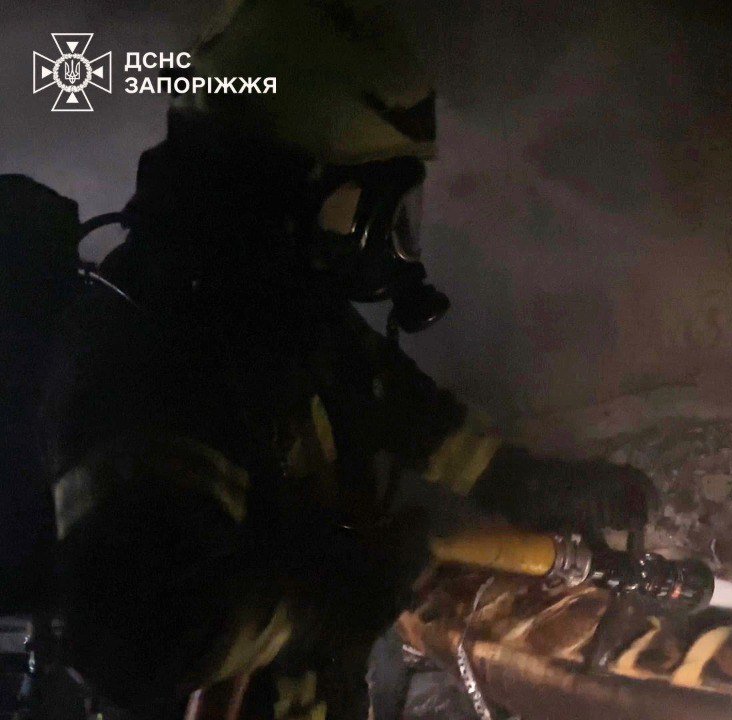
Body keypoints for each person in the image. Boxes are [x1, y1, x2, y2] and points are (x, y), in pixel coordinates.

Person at [31, 1, 653, 717]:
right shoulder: (152, 351)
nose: (389, 239)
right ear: (297, 182)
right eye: (378, 204)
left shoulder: (265, 302)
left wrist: (525, 480)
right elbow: (138, 638)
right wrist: (334, 593)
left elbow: (392, 400)